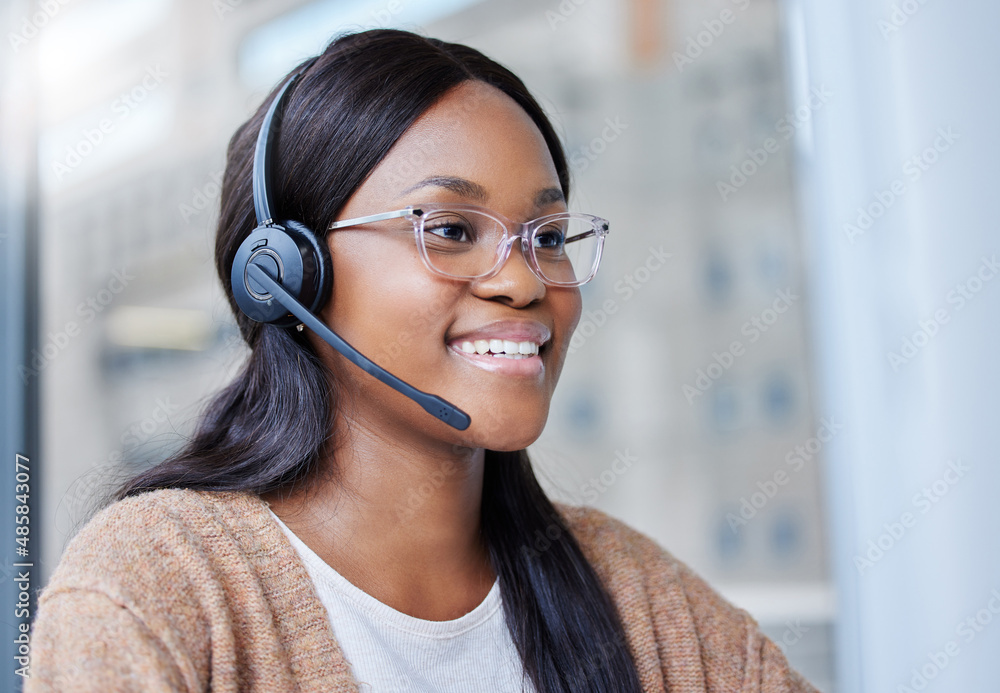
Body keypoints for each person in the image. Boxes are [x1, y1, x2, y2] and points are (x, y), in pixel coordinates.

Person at [26, 29, 818, 692]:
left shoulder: (633, 595)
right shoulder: (159, 585)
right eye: (449, 229)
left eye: (546, 237)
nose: (520, 280)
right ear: (288, 275)